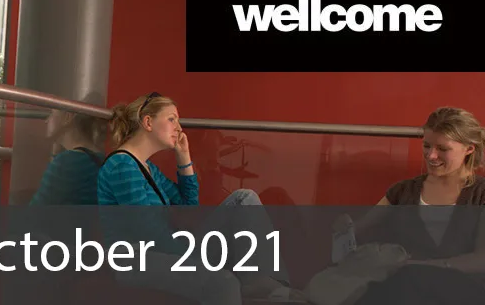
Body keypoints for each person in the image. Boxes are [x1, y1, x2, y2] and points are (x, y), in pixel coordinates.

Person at [97, 92, 302, 304]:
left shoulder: (148, 168)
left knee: (243, 198)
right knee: (224, 282)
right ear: (148, 122)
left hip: (163, 249)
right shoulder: (122, 165)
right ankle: (260, 285)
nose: (179, 127)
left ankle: (261, 279)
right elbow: (147, 232)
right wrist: (193, 252)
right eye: (171, 119)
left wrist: (184, 157)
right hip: (136, 259)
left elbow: (189, 206)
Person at [332, 107, 485, 304]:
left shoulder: (480, 194)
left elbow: (481, 260)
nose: (431, 156)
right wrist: (344, 230)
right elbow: (357, 232)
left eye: (442, 149)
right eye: (427, 146)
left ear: (469, 149)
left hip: (461, 289)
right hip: (405, 289)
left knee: (408, 281)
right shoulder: (403, 191)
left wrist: (420, 266)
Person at [29, 108, 108, 205]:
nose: (46, 120)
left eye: (51, 113)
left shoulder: (68, 163)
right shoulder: (99, 157)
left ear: (67, 116)